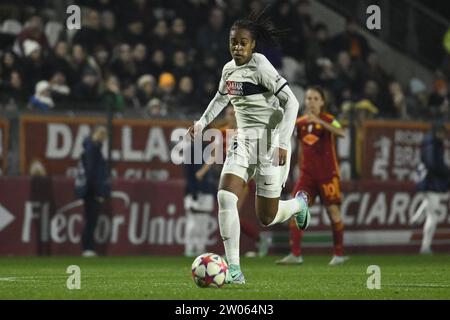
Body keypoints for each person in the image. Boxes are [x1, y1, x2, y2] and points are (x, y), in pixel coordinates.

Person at [187, 11, 310, 284]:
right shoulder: (228, 70)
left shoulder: (261, 66)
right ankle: (234, 270)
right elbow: (220, 98)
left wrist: (281, 142)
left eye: (243, 42)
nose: (237, 47)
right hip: (243, 142)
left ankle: (298, 205)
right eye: (234, 42)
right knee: (225, 197)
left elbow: (292, 103)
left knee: (267, 217)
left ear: (253, 45)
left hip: (269, 143)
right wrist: (202, 123)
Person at [276, 86, 348, 266]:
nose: (312, 102)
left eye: (316, 98)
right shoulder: (299, 123)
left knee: (333, 212)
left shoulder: (330, 119)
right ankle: (295, 254)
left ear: (322, 102)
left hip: (327, 176)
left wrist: (320, 122)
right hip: (306, 177)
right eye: (309, 98)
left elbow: (342, 133)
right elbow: (294, 145)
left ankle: (338, 255)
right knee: (295, 210)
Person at [410, 122, 450, 254]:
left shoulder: (430, 143)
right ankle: (425, 248)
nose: (445, 137)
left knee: (432, 202)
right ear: (438, 132)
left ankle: (416, 217)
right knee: (433, 215)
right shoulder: (433, 144)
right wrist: (446, 172)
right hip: (431, 181)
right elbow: (433, 164)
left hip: (429, 180)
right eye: (443, 133)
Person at [74, 125, 110, 257]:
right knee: (91, 220)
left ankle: (88, 248)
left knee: (91, 220)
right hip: (91, 190)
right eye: (101, 133)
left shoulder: (93, 148)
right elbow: (91, 172)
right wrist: (97, 191)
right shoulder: (93, 148)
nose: (103, 137)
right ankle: (87, 248)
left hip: (90, 189)